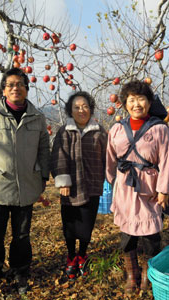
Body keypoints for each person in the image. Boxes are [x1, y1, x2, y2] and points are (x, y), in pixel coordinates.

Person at [0, 67, 50, 297]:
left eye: (20, 84)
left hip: (27, 186)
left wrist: (43, 175)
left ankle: (20, 270)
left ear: (26, 89)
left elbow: (44, 148)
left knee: (22, 235)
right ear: (4, 89)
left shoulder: (37, 117)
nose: (15, 88)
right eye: (11, 84)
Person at [105, 80, 169, 293]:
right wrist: (110, 183)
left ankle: (148, 273)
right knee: (127, 234)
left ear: (149, 102)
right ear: (125, 103)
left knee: (151, 236)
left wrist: (164, 190)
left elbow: (168, 161)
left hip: (150, 188)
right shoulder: (117, 128)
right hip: (125, 188)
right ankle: (132, 273)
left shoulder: (159, 129)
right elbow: (110, 158)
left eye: (141, 99)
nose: (137, 104)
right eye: (132, 100)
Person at [51, 91, 107, 280]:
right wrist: (63, 181)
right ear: (70, 110)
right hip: (71, 186)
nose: (81, 110)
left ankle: (82, 255)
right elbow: (58, 156)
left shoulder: (99, 131)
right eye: (77, 107)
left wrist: (110, 178)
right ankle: (70, 256)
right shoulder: (64, 131)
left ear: (90, 108)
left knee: (86, 224)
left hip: (92, 185)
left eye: (85, 106)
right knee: (70, 225)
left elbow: (108, 156)